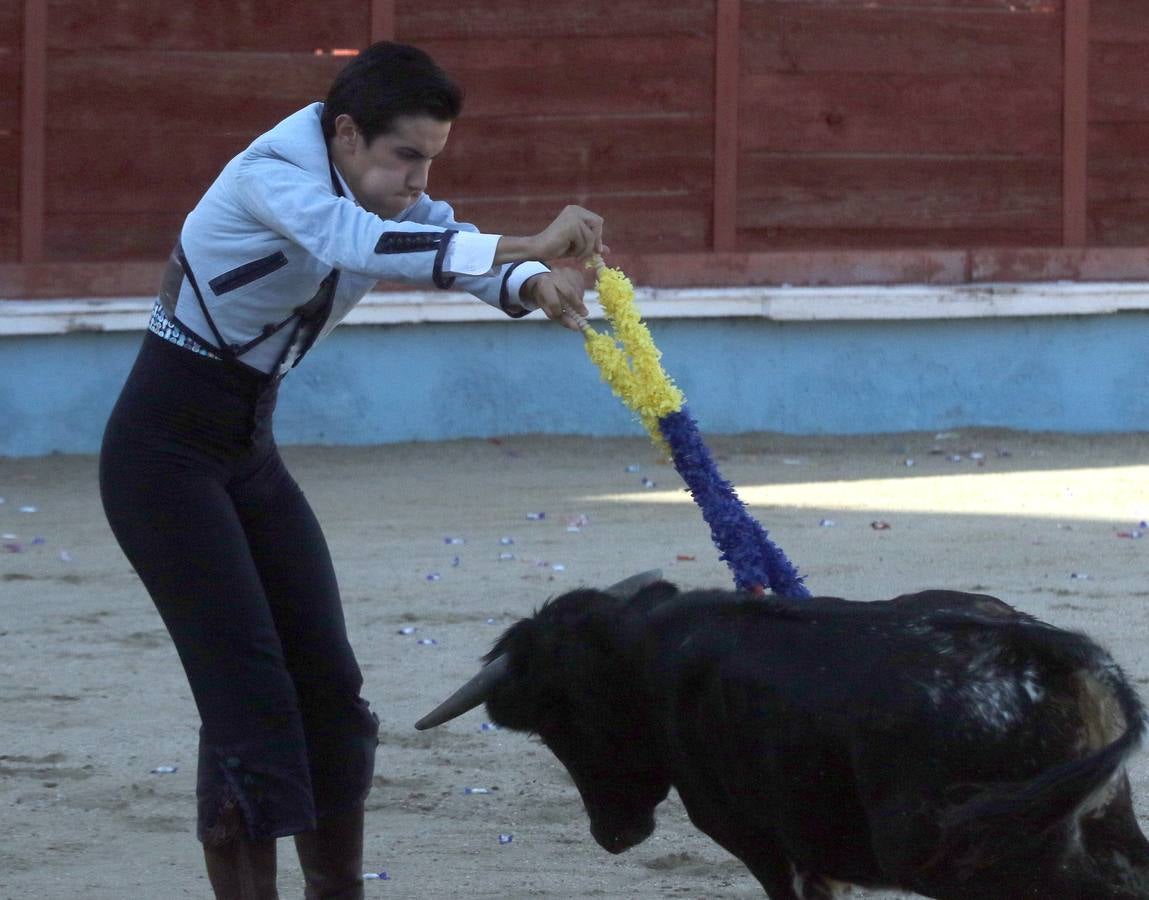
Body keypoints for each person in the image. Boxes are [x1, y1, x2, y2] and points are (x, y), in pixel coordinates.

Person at [99, 41, 604, 899]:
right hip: (161, 458)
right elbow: (364, 242)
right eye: (405, 156)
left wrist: (530, 283)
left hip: (246, 451)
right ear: (343, 135)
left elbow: (437, 240)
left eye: (431, 160)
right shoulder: (273, 174)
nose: (418, 179)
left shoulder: (378, 192)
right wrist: (522, 243)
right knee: (248, 699)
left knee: (330, 690)